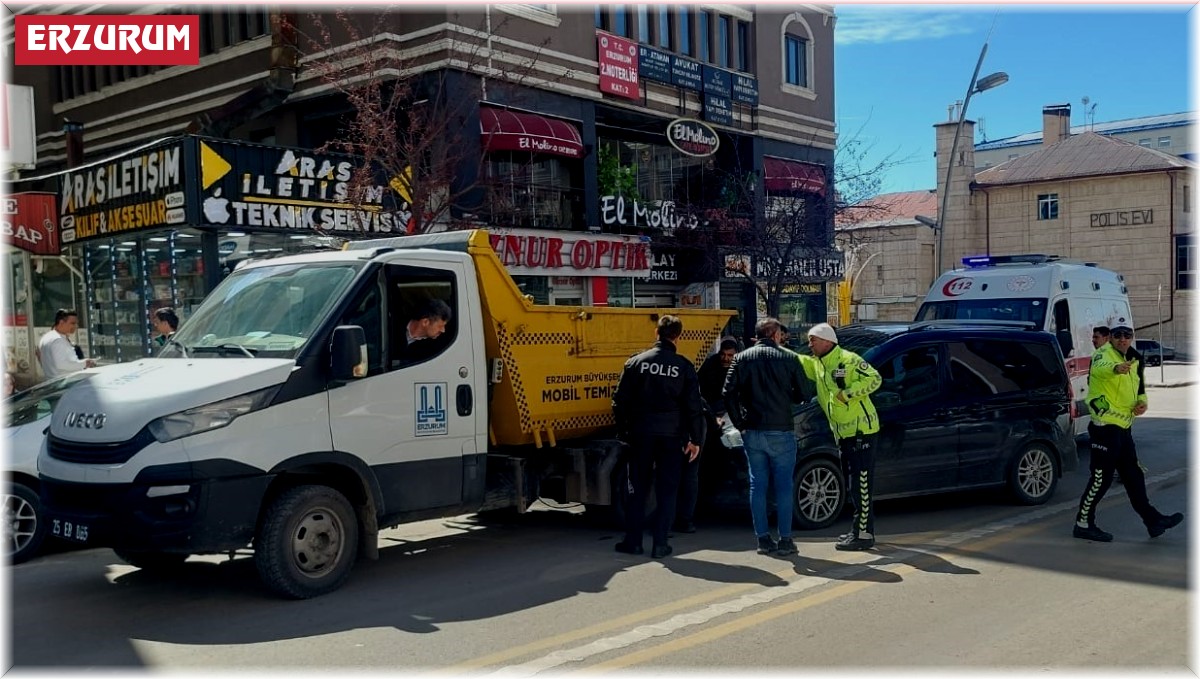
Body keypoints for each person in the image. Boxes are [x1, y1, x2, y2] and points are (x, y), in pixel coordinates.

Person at [1073, 324, 1183, 542]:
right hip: (1105, 426)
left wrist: (1142, 403)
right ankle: (1083, 523)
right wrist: (1116, 369)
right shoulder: (1103, 354)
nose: (1122, 339)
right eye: (1118, 336)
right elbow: (1104, 367)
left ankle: (1153, 521)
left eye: (1127, 336)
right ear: (1111, 338)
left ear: (1132, 338)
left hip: (1123, 427)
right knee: (1101, 478)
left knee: (1133, 475)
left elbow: (1139, 388)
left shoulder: (1133, 357)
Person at [611, 315, 705, 559]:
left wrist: (624, 432)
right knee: (667, 489)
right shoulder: (683, 366)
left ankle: (633, 542)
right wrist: (695, 439)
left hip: (641, 434)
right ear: (678, 336)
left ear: (657, 333)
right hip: (671, 436)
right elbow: (694, 407)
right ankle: (661, 544)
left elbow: (619, 402)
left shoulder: (635, 363)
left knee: (637, 489)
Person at [722, 317, 811, 557]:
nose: (783, 337)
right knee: (783, 486)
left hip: (753, 430)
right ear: (774, 335)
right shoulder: (789, 358)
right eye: (781, 334)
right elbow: (804, 393)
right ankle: (785, 539)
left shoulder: (741, 358)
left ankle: (762, 538)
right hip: (782, 429)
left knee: (757, 485)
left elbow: (727, 394)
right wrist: (788, 396)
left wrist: (740, 423)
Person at [796, 322, 883, 551]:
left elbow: (874, 379)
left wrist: (847, 395)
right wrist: (773, 347)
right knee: (852, 484)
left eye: (813, 340)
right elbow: (796, 360)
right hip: (844, 433)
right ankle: (858, 530)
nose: (809, 345)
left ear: (826, 340)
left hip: (862, 431)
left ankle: (864, 534)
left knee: (861, 485)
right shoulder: (819, 365)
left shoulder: (849, 359)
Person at [675, 336, 739, 534]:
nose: (725, 359)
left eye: (730, 355)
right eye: (723, 354)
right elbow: (702, 395)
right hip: (707, 418)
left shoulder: (739, 366)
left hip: (719, 417)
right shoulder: (709, 367)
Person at [37, 309, 95, 379]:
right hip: (65, 383)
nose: (76, 326)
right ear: (61, 323)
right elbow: (61, 365)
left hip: (55, 382)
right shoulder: (58, 340)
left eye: (76, 323)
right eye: (73, 323)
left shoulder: (47, 337)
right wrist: (85, 363)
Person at [396, 298, 452, 365]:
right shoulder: (393, 326)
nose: (443, 330)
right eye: (440, 326)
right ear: (425, 322)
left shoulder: (432, 348)